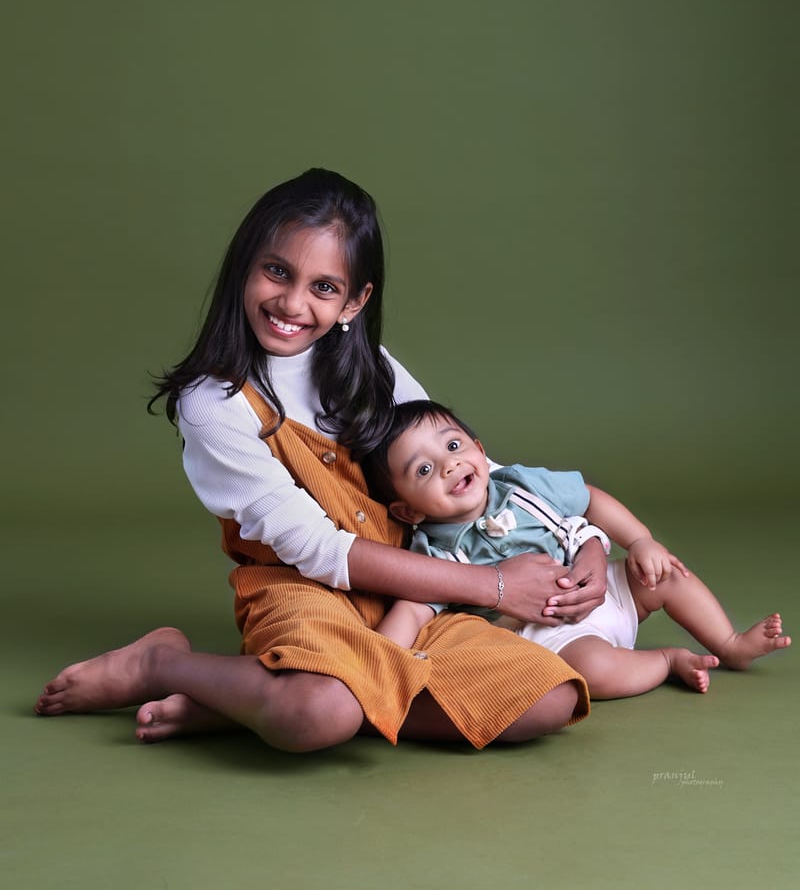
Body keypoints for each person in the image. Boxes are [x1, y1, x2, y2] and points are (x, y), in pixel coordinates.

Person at [35, 168, 610, 751]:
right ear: (244, 266)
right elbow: (317, 550)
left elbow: (467, 467)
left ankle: (239, 703)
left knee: (548, 697)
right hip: (304, 592)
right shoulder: (213, 402)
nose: (292, 303)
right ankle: (162, 665)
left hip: (412, 598)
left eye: (324, 287)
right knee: (318, 713)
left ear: (354, 302)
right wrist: (492, 585)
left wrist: (587, 542)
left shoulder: (370, 367)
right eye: (276, 272)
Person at [361, 399, 790, 698]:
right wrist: (381, 659)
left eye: (454, 446)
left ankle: (730, 643)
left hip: (606, 588)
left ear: (480, 450)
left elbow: (589, 499)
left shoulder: (522, 486)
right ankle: (666, 661)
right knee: (593, 671)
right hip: (552, 634)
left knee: (666, 575)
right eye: (423, 469)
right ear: (408, 510)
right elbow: (413, 609)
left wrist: (640, 541)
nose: (449, 464)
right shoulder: (435, 552)